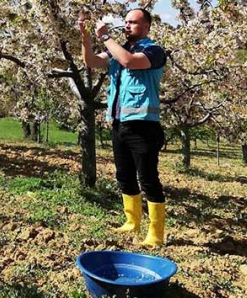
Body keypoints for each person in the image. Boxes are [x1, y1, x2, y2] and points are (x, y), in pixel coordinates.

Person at [78, 8, 167, 248]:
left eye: (133, 23)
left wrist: (105, 36)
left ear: (147, 26)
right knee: (124, 176)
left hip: (144, 126)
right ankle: (132, 221)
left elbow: (129, 62)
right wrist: (86, 36)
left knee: (148, 178)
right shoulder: (119, 51)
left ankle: (156, 233)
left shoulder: (154, 51)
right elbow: (92, 61)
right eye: (126, 22)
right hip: (119, 124)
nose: (127, 26)